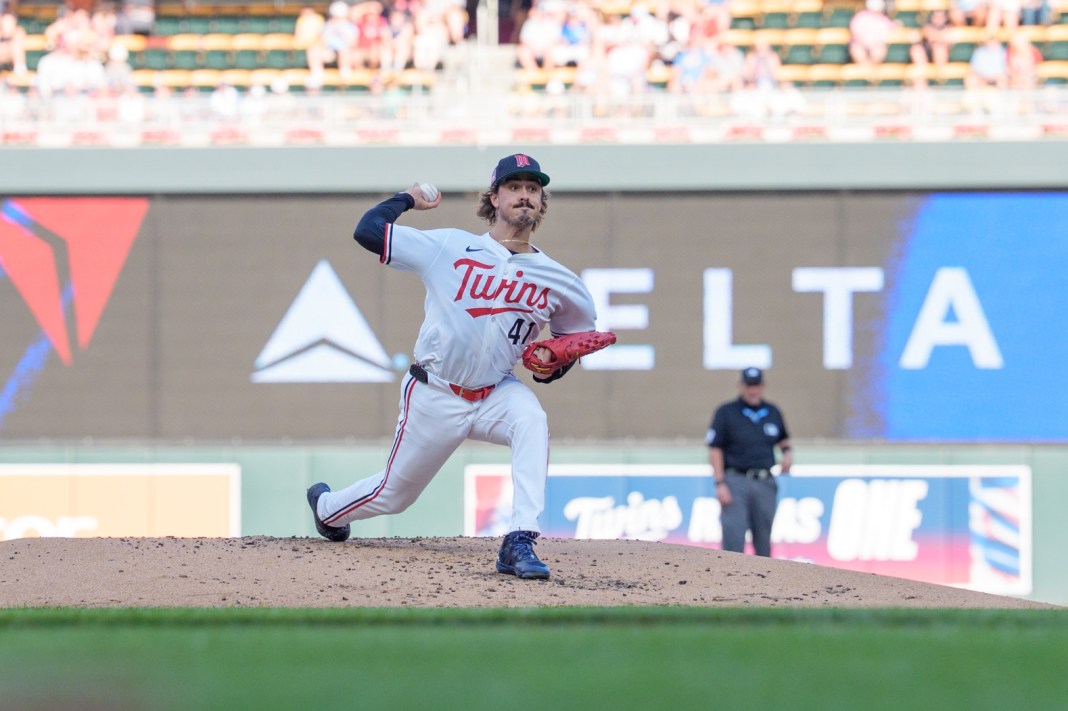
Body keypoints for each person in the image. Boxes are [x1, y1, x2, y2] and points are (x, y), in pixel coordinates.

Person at [307, 154, 598, 581]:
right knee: (394, 495)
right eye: (515, 187)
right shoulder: (450, 245)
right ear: (494, 196)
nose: (525, 196)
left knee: (531, 419)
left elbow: (570, 344)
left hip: (497, 391)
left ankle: (520, 540)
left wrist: (552, 367)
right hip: (436, 391)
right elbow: (368, 231)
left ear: (541, 202)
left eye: (533, 189)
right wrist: (406, 198)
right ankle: (327, 508)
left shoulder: (561, 280)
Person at [706, 367, 792, 557]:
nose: (753, 390)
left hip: (765, 481)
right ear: (741, 386)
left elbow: (783, 439)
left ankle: (763, 584)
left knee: (763, 540)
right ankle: (732, 584)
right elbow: (715, 448)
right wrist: (720, 482)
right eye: (749, 386)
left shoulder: (772, 412)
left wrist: (787, 453)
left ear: (763, 386)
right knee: (734, 538)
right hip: (736, 481)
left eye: (756, 386)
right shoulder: (727, 412)